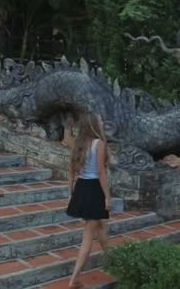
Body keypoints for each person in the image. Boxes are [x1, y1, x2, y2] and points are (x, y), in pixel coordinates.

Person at [66, 112, 111, 289]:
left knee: (99, 226)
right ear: (93, 124)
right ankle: (74, 279)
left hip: (81, 189)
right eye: (99, 119)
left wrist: (70, 193)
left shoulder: (78, 143)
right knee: (88, 236)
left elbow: (70, 170)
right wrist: (107, 196)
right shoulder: (99, 144)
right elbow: (101, 172)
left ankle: (114, 261)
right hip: (93, 190)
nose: (101, 120)